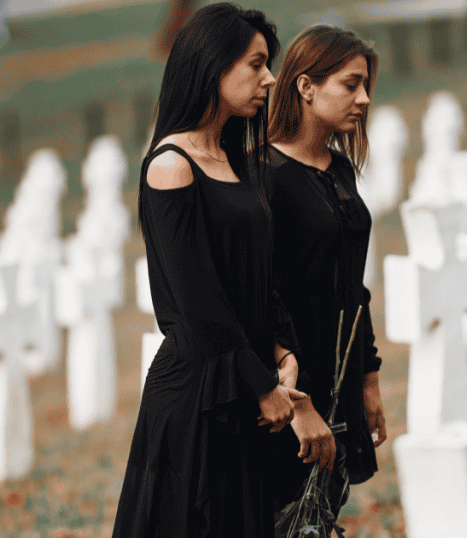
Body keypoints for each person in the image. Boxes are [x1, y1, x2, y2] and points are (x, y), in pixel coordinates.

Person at [112, 4, 307, 537]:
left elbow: (259, 277)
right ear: (211, 67)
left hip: (247, 387)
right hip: (198, 397)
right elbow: (200, 303)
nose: (270, 78)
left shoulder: (234, 158)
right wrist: (262, 386)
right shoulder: (172, 167)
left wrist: (284, 353)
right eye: (256, 64)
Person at [264, 25, 388, 517]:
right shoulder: (264, 176)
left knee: (322, 515)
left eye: (366, 88)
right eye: (350, 84)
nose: (363, 99)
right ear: (306, 86)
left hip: (343, 375)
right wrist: (298, 402)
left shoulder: (339, 170)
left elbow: (351, 284)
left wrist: (369, 378)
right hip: (292, 387)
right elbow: (264, 298)